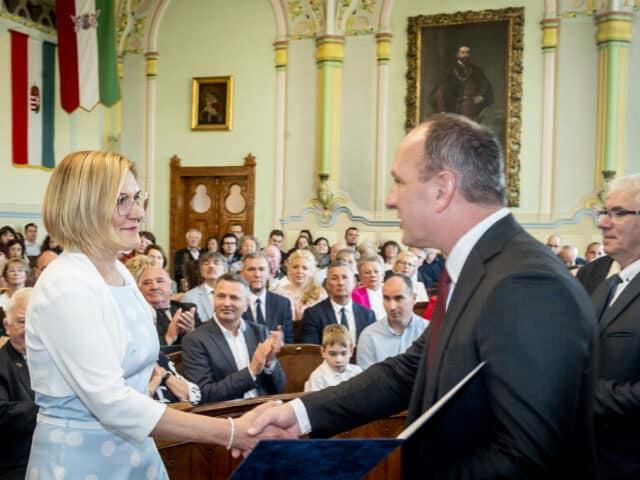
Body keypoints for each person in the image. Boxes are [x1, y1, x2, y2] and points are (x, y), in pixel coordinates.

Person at [243, 114, 598, 478]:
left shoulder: (527, 284)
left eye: (399, 182)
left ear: (443, 189)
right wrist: (299, 414)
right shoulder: (479, 268)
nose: (390, 199)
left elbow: (530, 458)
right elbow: (410, 372)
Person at [25, 151, 287, 479]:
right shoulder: (66, 284)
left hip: (136, 453)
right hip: (81, 461)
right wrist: (231, 431)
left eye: (137, 197)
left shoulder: (120, 271)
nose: (138, 211)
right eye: (122, 200)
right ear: (83, 207)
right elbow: (111, 402)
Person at [589, 175, 640, 478]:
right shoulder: (603, 282)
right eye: (604, 212)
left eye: (618, 213)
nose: (603, 223)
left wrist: (583, 395)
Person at [182, 273, 286, 403]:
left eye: (234, 298)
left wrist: (270, 363)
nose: (226, 303)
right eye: (221, 296)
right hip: (228, 411)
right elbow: (203, 394)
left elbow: (279, 388)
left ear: (246, 305)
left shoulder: (259, 331)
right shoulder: (195, 340)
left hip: (264, 405)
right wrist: (251, 371)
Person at [0, 288, 37, 480]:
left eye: (35, 321)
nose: (30, 329)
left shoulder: (54, 359)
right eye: (22, 322)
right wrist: (46, 410)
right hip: (16, 464)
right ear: (7, 326)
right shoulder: (2, 363)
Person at [357, 273, 428, 370]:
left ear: (414, 298)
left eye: (398, 298)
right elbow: (366, 377)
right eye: (386, 298)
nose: (392, 307)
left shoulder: (429, 331)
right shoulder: (369, 336)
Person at [300, 260, 375, 345]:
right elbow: (311, 350)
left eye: (345, 277)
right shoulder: (313, 314)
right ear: (327, 284)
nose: (340, 283)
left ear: (354, 282)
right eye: (334, 278)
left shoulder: (368, 315)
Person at [139, 266, 202, 347]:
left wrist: (191, 332)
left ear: (171, 287)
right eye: (147, 283)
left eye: (160, 281)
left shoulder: (187, 310)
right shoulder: (136, 316)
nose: (154, 287)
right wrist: (169, 337)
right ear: (139, 290)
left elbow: (204, 345)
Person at [429, 45, 493, 122]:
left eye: (468, 53)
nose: (465, 55)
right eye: (463, 52)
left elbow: (485, 85)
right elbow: (440, 89)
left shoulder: (476, 70)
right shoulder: (449, 70)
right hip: (452, 107)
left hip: (469, 107)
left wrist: (481, 95)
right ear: (457, 54)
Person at [240, 253, 294, 343]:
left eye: (261, 269)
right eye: (251, 269)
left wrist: (281, 342)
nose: (257, 274)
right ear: (242, 274)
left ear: (269, 273)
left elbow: (289, 341)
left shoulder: (283, 304)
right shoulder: (235, 304)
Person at [304, 324, 362, 392]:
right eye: (332, 354)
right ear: (323, 352)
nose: (338, 360)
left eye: (343, 353)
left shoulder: (357, 372)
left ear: (351, 351)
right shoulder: (317, 377)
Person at [273, 249, 327, 322]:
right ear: (289, 269)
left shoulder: (320, 294)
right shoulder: (278, 293)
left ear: (311, 271)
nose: (300, 271)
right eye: (295, 267)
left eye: (305, 268)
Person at [182, 252, 227, 323]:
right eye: (206, 263)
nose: (211, 266)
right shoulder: (189, 297)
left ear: (225, 270)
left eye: (216, 263)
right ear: (201, 271)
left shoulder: (235, 294)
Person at [351, 255, 385, 320]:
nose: (372, 275)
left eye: (376, 271)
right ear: (360, 277)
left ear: (383, 274)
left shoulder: (392, 291)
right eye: (367, 273)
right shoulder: (354, 295)